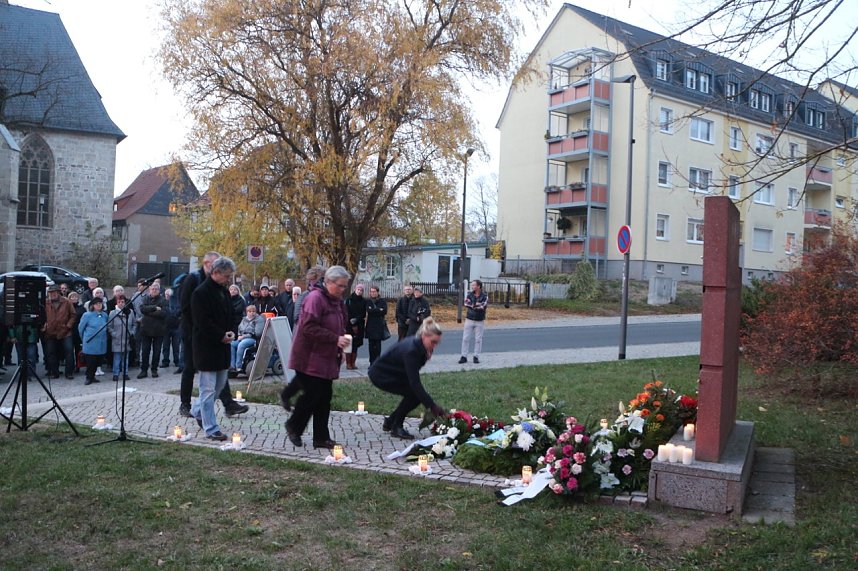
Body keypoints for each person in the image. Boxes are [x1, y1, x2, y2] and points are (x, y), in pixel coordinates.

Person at [283, 265, 350, 449]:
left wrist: (340, 347)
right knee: (313, 395)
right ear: (328, 282)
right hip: (309, 355)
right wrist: (334, 339)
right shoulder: (315, 298)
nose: (343, 290)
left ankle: (321, 437)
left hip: (326, 355)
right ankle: (294, 426)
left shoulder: (336, 300)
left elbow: (339, 324)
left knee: (324, 397)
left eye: (345, 286)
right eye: (340, 286)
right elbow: (309, 328)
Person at [179, 251, 248, 419]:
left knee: (218, 370)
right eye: (215, 264)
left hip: (214, 334)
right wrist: (199, 329)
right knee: (190, 368)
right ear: (207, 264)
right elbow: (186, 308)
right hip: (193, 333)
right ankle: (185, 404)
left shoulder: (220, 286)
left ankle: (227, 403)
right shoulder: (193, 280)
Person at [368, 317, 446, 440]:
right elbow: (414, 382)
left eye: (437, 343)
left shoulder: (419, 345)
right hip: (381, 375)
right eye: (433, 342)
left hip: (394, 373)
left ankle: (390, 421)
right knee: (414, 394)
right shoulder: (412, 350)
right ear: (424, 336)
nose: (435, 346)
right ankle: (396, 426)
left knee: (415, 394)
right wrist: (432, 406)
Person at [190, 256, 238, 441]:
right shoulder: (200, 293)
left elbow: (232, 314)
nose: (229, 280)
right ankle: (211, 428)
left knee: (218, 388)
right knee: (208, 390)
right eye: (226, 276)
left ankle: (197, 410)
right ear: (215, 273)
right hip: (206, 348)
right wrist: (220, 335)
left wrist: (232, 332)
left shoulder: (224, 292)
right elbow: (202, 322)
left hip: (223, 347)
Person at [42, 283, 77, 379]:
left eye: (53, 292)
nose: (51, 294)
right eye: (50, 292)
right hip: (51, 331)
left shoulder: (66, 302)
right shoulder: (46, 303)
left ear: (58, 292)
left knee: (69, 351)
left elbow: (73, 315)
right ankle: (54, 372)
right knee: (51, 352)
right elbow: (41, 316)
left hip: (65, 331)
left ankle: (69, 373)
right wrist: (44, 325)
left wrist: (68, 326)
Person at [138, 282, 168, 378]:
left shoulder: (163, 300)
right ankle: (144, 370)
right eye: (152, 289)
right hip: (146, 330)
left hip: (158, 330)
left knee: (157, 352)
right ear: (149, 290)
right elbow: (142, 309)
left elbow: (163, 313)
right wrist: (155, 308)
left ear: (159, 290)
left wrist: (149, 312)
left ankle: (154, 369)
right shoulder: (145, 298)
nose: (154, 290)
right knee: (145, 351)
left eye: (156, 289)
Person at [78, 297, 108, 385]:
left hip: (101, 342)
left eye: (100, 303)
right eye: (96, 304)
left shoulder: (104, 315)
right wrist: (84, 338)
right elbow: (81, 328)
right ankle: (88, 377)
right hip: (90, 342)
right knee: (91, 361)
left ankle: (93, 376)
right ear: (92, 305)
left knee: (98, 360)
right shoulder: (87, 315)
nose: (99, 305)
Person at [459, 279, 488, 364]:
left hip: (480, 320)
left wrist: (475, 305)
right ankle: (463, 356)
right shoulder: (469, 295)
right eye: (472, 285)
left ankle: (476, 356)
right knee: (465, 338)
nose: (472, 287)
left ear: (479, 286)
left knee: (478, 339)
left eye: (474, 285)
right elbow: (466, 303)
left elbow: (484, 305)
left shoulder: (485, 296)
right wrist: (476, 305)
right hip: (469, 319)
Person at [108, 296, 136, 382]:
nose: (121, 303)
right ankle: (116, 374)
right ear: (117, 303)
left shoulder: (130, 312)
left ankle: (125, 373)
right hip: (117, 338)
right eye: (119, 302)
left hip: (127, 338)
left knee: (125, 358)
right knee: (117, 358)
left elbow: (134, 324)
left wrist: (132, 332)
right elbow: (109, 326)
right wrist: (114, 334)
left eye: (123, 302)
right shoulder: (113, 313)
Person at [229, 304, 264, 371]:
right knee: (232, 344)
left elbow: (257, 333)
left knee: (241, 345)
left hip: (252, 338)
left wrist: (244, 336)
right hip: (241, 337)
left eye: (253, 311)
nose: (251, 313)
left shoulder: (259, 319)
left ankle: (238, 366)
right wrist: (239, 335)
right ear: (247, 312)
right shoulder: (244, 319)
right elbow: (239, 328)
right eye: (249, 311)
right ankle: (232, 366)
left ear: (255, 312)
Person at [364, 286, 389, 366]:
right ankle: (371, 362)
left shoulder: (382, 301)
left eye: (374, 291)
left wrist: (375, 310)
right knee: (371, 346)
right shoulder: (368, 301)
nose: (372, 293)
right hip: (370, 325)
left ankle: (377, 362)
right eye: (371, 291)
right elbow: (369, 310)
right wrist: (378, 310)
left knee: (378, 346)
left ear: (378, 292)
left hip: (379, 325)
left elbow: (384, 311)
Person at [344, 283, 366, 370]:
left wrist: (357, 320)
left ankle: (353, 363)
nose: (359, 291)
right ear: (355, 290)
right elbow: (346, 312)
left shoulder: (364, 301)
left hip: (359, 325)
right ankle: (348, 363)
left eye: (361, 290)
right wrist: (352, 323)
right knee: (348, 344)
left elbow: (363, 314)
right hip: (349, 325)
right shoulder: (349, 300)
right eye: (358, 289)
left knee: (355, 345)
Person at [161, 288, 182, 370]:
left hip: (176, 327)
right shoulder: (162, 303)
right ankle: (165, 361)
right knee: (165, 346)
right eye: (166, 294)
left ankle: (177, 361)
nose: (168, 296)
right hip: (165, 328)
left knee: (176, 346)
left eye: (169, 295)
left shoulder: (176, 303)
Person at [68, 291, 85, 372]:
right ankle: (70, 366)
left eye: (75, 297)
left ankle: (78, 366)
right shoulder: (67, 308)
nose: (74, 298)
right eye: (72, 297)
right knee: (69, 349)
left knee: (78, 349)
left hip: (78, 331)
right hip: (69, 331)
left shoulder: (82, 308)